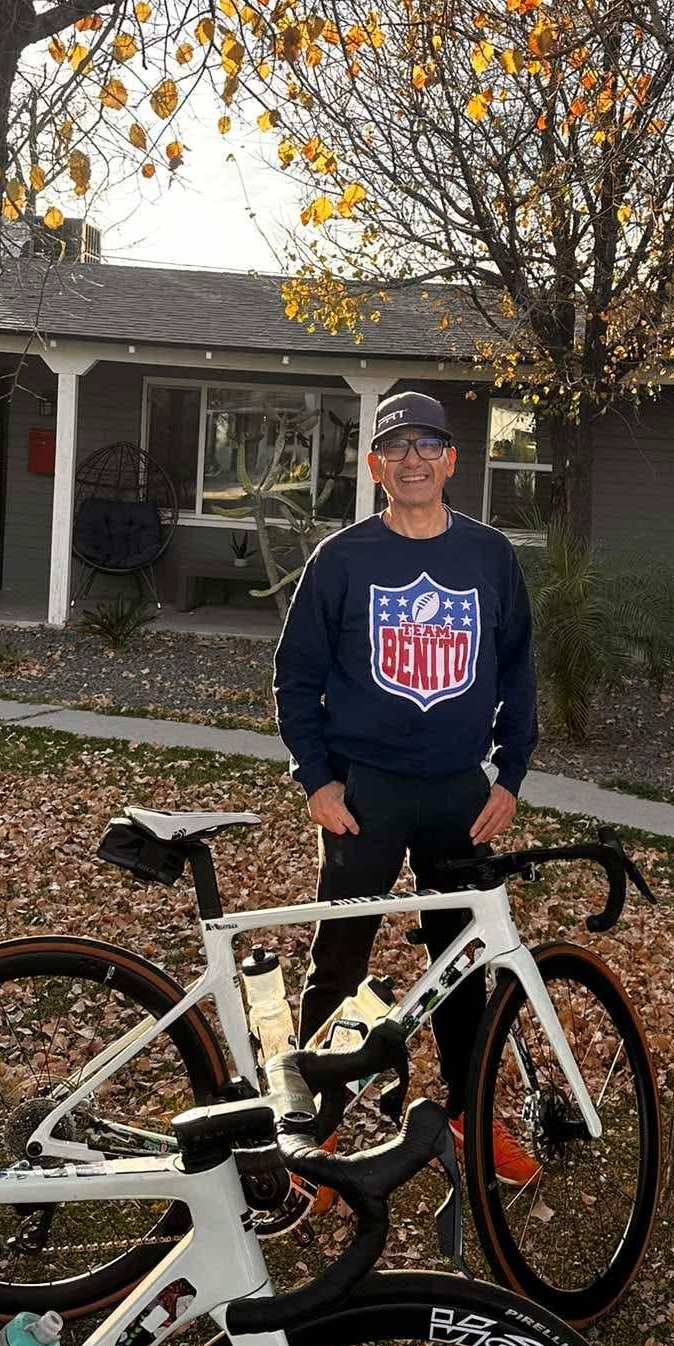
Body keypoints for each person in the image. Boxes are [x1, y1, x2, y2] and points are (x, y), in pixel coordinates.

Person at [273, 389, 540, 1180]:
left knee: (463, 962)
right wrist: (318, 780)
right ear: (375, 466)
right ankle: (314, 1135)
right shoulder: (343, 560)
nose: (413, 459)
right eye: (397, 447)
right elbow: (295, 677)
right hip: (366, 794)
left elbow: (518, 671)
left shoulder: (489, 556)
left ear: (451, 460)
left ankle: (466, 1116)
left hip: (459, 791)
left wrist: (510, 774)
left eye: (428, 446)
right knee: (339, 960)